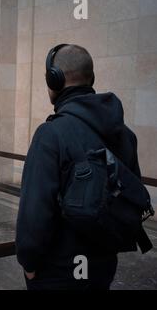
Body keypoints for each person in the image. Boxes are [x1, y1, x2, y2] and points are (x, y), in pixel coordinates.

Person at [16, 44, 143, 290]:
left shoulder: (50, 134)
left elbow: (35, 213)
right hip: (103, 266)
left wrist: (29, 264)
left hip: (57, 272)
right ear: (91, 79)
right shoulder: (125, 134)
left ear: (54, 79)